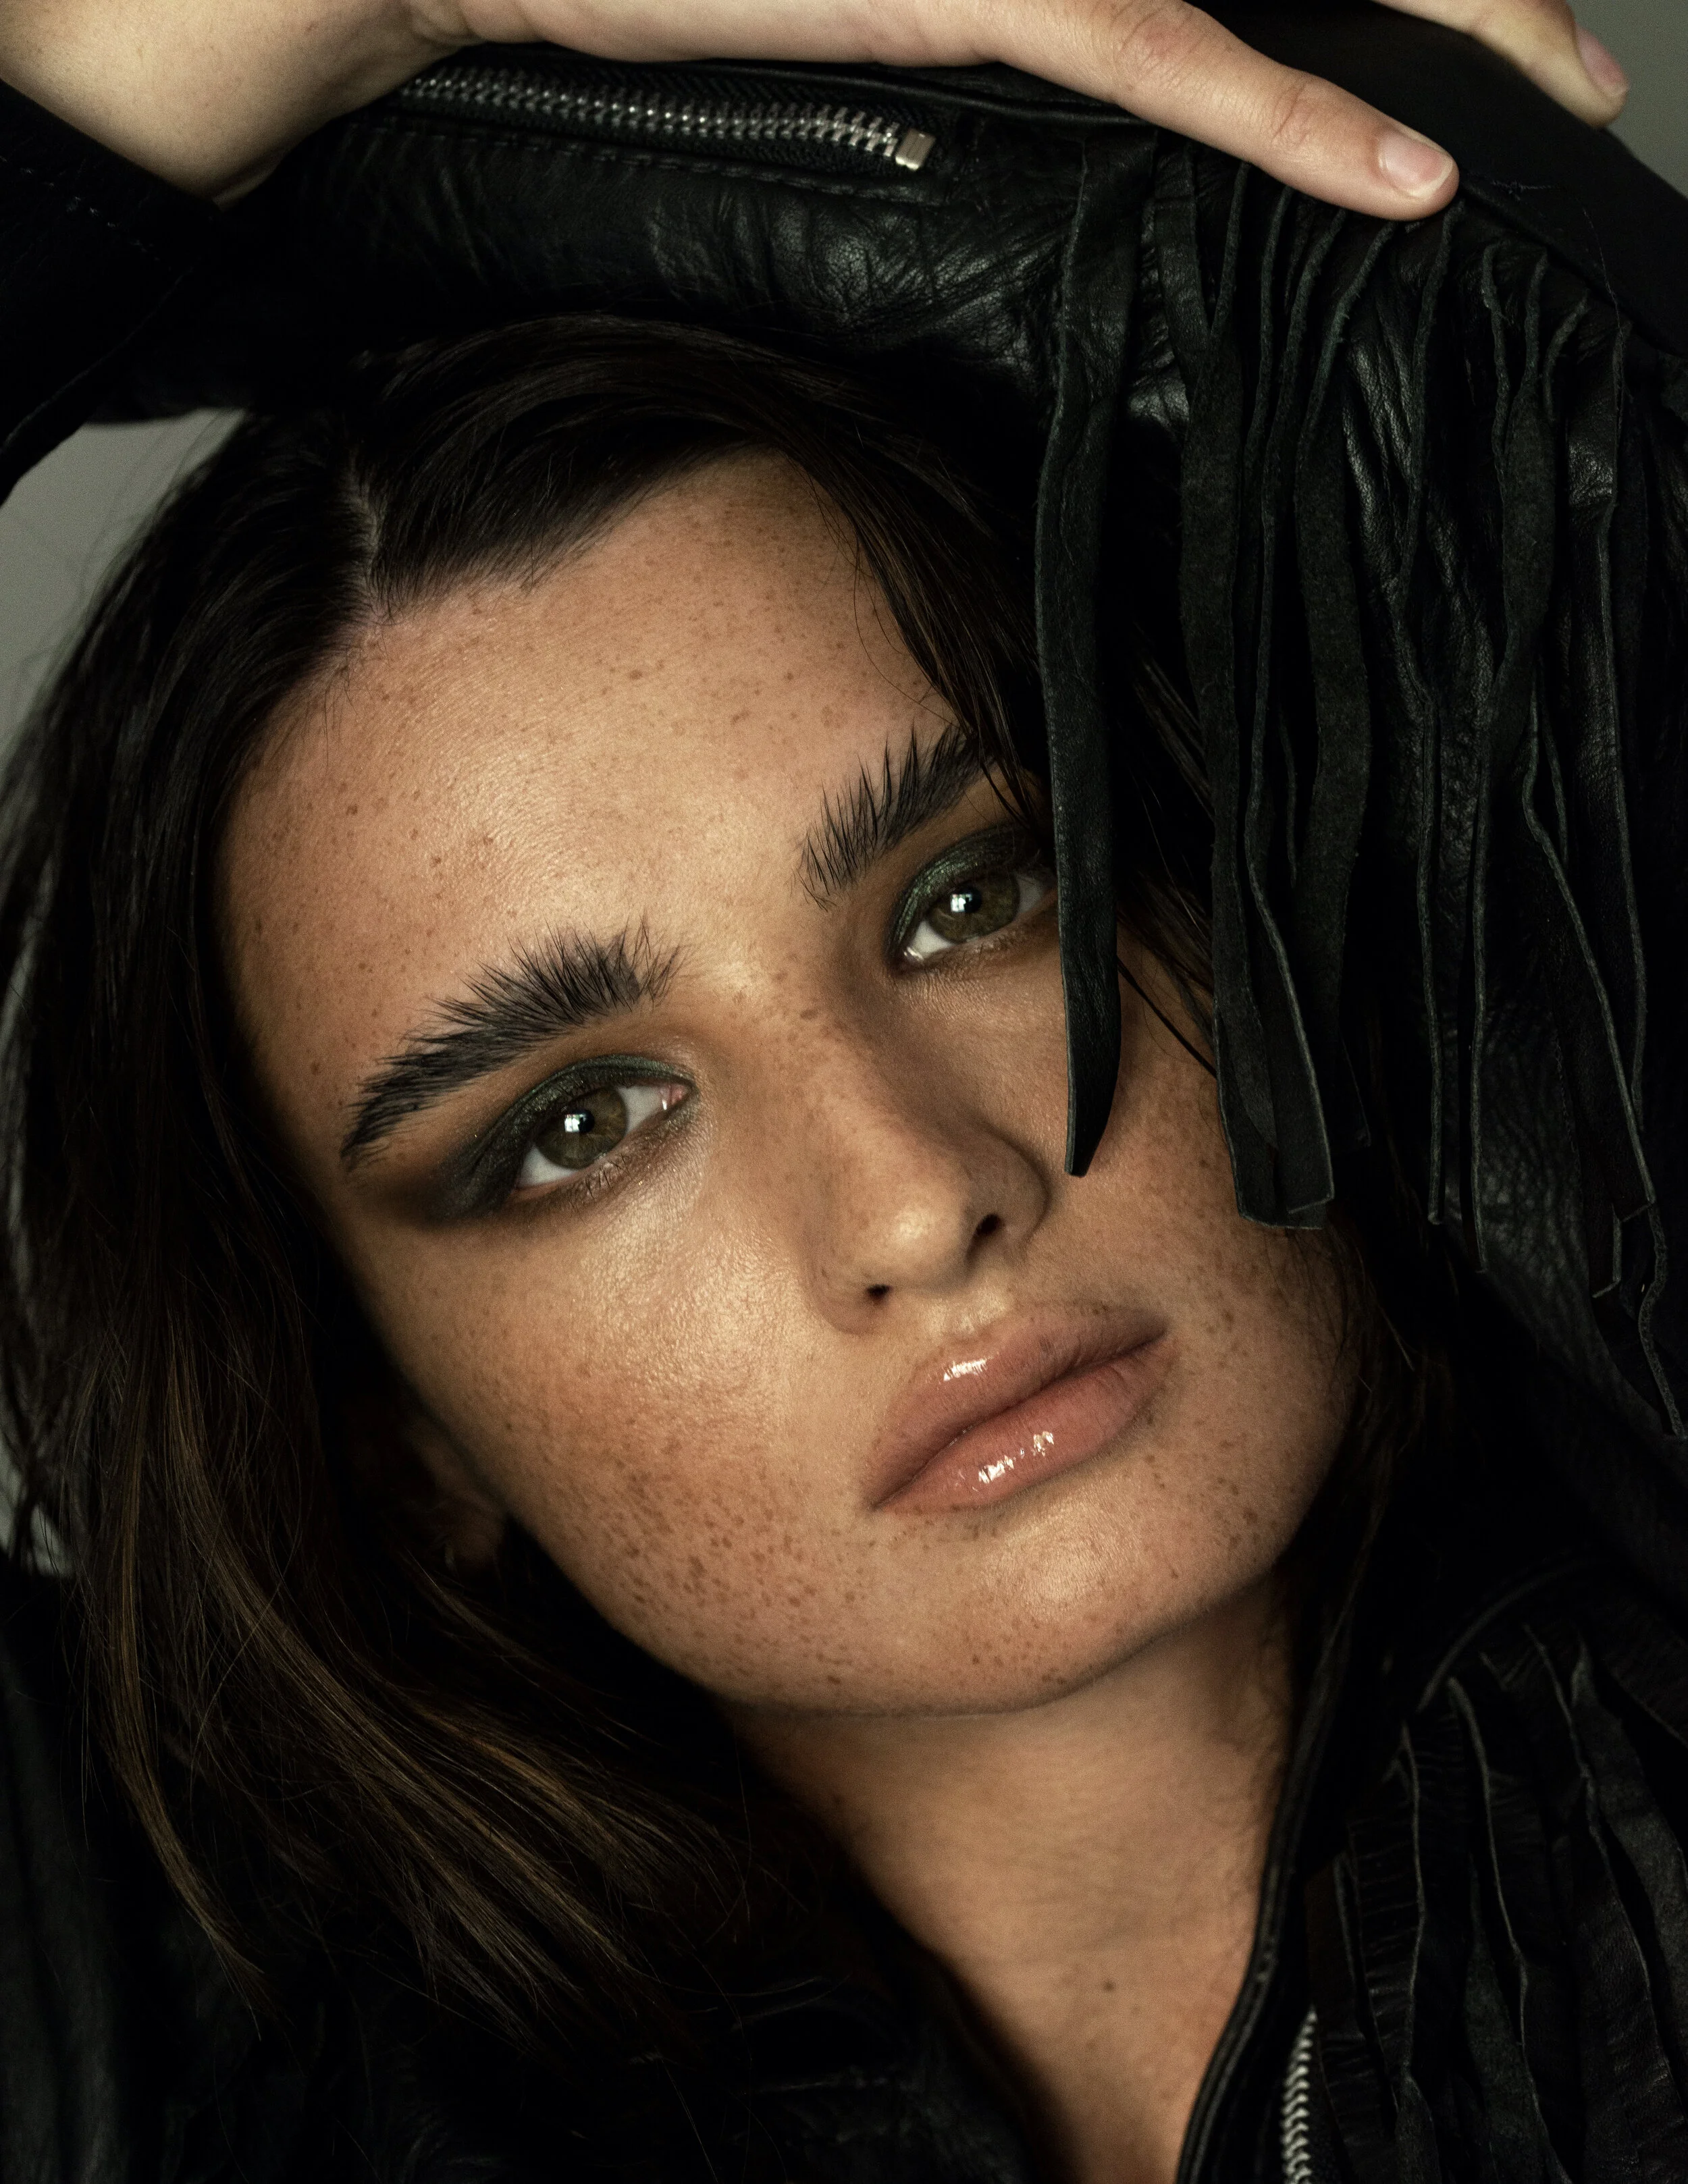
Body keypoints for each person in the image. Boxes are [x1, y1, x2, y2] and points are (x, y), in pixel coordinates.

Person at [0, 5, 1684, 2184]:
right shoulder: (180, 2083)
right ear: (375, 1417)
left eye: (971, 898)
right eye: (578, 1128)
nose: (916, 1199)